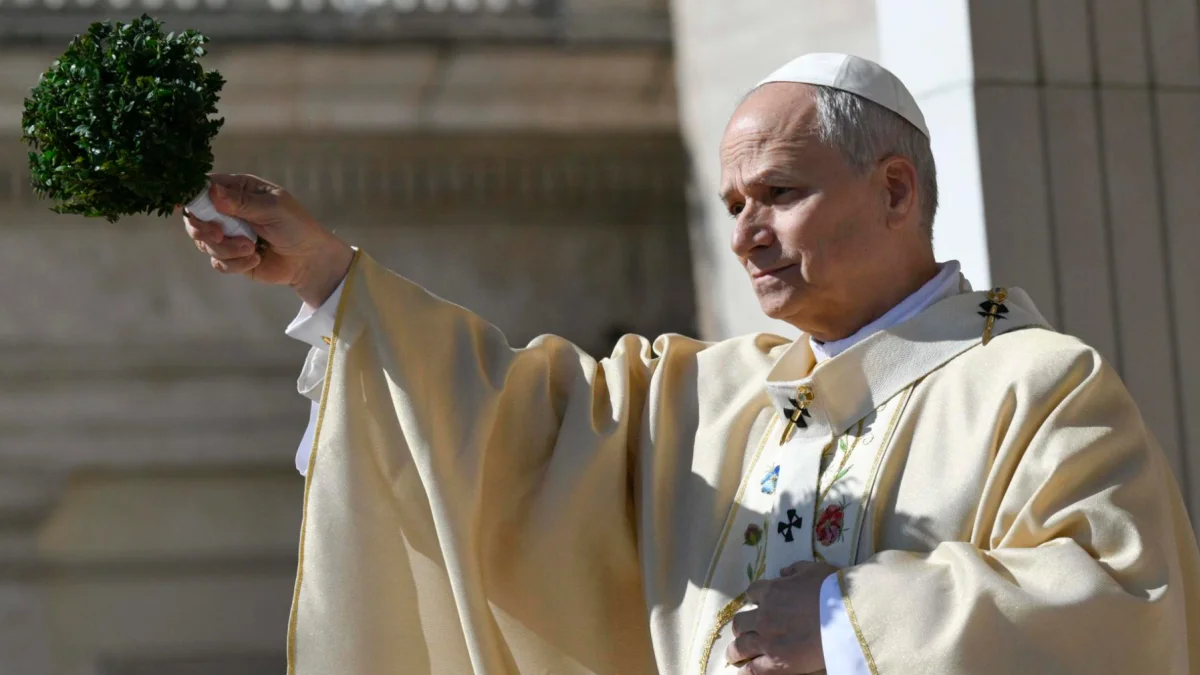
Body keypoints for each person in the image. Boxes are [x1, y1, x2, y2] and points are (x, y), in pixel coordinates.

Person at [183, 53, 1200, 675]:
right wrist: (327, 275)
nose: (747, 234)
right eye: (733, 206)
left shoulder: (1034, 383)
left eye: (780, 194)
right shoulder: (706, 397)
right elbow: (500, 430)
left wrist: (848, 626)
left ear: (896, 191)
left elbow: (1121, 609)